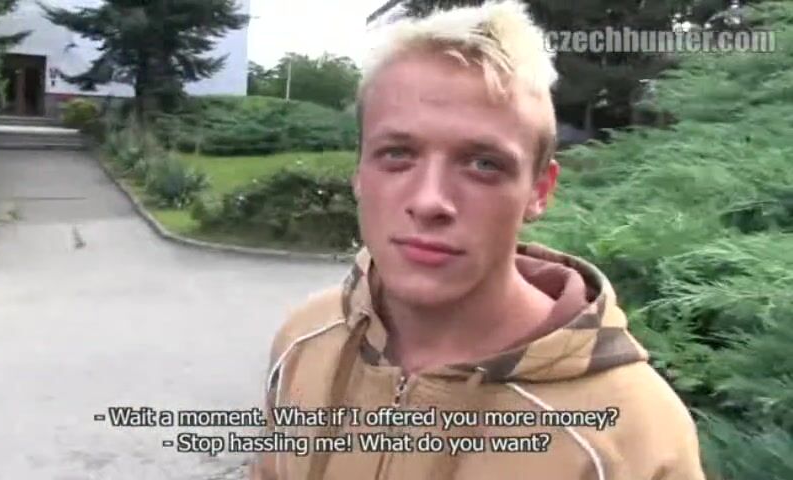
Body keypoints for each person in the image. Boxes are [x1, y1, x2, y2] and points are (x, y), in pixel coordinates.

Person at [250, 1, 707, 479]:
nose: (429, 201)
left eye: (483, 164)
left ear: (539, 191)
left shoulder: (634, 433)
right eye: (397, 154)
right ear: (360, 172)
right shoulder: (307, 338)